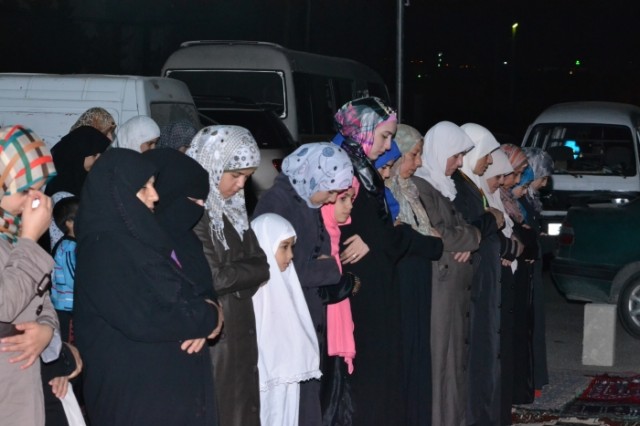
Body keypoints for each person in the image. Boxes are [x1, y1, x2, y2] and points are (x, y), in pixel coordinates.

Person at [74, 148, 221, 426]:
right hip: (138, 399)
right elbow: (148, 316)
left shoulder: (143, 242)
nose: (154, 196)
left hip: (165, 395)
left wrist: (204, 312)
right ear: (118, 195)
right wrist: (209, 316)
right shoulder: (104, 249)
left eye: (154, 185)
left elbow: (187, 294)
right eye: (144, 188)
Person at [333, 97, 442, 426]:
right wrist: (392, 236)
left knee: (383, 375)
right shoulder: (340, 170)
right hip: (360, 293)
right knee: (367, 379)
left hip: (380, 286)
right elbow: (351, 233)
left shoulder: (366, 173)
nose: (386, 145)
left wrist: (384, 237)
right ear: (362, 131)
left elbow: (382, 234)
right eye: (383, 136)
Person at [252, 142, 355, 426]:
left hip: (308, 312)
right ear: (314, 176)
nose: (332, 199)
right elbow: (284, 268)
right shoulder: (278, 204)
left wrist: (320, 265)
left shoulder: (307, 199)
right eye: (331, 190)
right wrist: (330, 268)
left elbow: (314, 257)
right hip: (285, 320)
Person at [188, 125, 270, 426]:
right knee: (224, 411)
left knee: (245, 409)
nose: (240, 185)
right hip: (218, 338)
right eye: (235, 175)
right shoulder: (194, 214)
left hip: (241, 328)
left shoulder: (234, 212)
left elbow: (263, 265)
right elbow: (215, 278)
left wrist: (239, 274)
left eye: (247, 177)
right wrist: (247, 274)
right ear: (211, 166)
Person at [413, 121, 480, 426]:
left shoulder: (443, 186)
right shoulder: (421, 185)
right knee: (440, 361)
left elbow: (465, 228)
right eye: (456, 155)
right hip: (438, 286)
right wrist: (470, 238)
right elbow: (439, 234)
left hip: (452, 286)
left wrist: (469, 238)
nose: (460, 163)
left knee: (455, 362)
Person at [0, 125, 60, 426]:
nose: (35, 200)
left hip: (20, 382)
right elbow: (4, 305)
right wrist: (29, 240)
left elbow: (42, 300)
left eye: (40, 188)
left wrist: (47, 331)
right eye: (25, 191)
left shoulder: (12, 232)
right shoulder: (22, 237)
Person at [384, 123, 443, 426]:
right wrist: (426, 241)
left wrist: (425, 241)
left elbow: (429, 240)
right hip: (401, 284)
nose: (418, 163)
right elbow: (404, 240)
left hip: (418, 280)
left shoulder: (410, 189)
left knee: (419, 353)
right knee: (405, 355)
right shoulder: (387, 192)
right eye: (413, 155)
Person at [251, 213, 323, 426]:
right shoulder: (252, 292)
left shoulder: (288, 285)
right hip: (260, 382)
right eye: (284, 247)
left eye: (291, 247)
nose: (290, 255)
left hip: (287, 379)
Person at [455, 123, 505, 425]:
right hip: (471, 284)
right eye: (486, 154)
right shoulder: (459, 187)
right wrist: (492, 218)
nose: (489, 162)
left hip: (484, 279)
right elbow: (468, 231)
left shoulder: (471, 185)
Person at [478, 149, 517, 425]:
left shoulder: (492, 197)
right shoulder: (475, 193)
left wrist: (513, 247)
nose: (502, 181)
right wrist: (512, 247)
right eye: (498, 175)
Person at [522, 147, 553, 396]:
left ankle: (535, 379)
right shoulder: (519, 198)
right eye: (541, 178)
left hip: (534, 266)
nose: (543, 184)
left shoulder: (530, 198)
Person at [50, 196, 79, 343]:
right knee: (70, 345)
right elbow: (72, 278)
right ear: (69, 223)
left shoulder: (73, 245)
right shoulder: (68, 247)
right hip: (67, 308)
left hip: (71, 307)